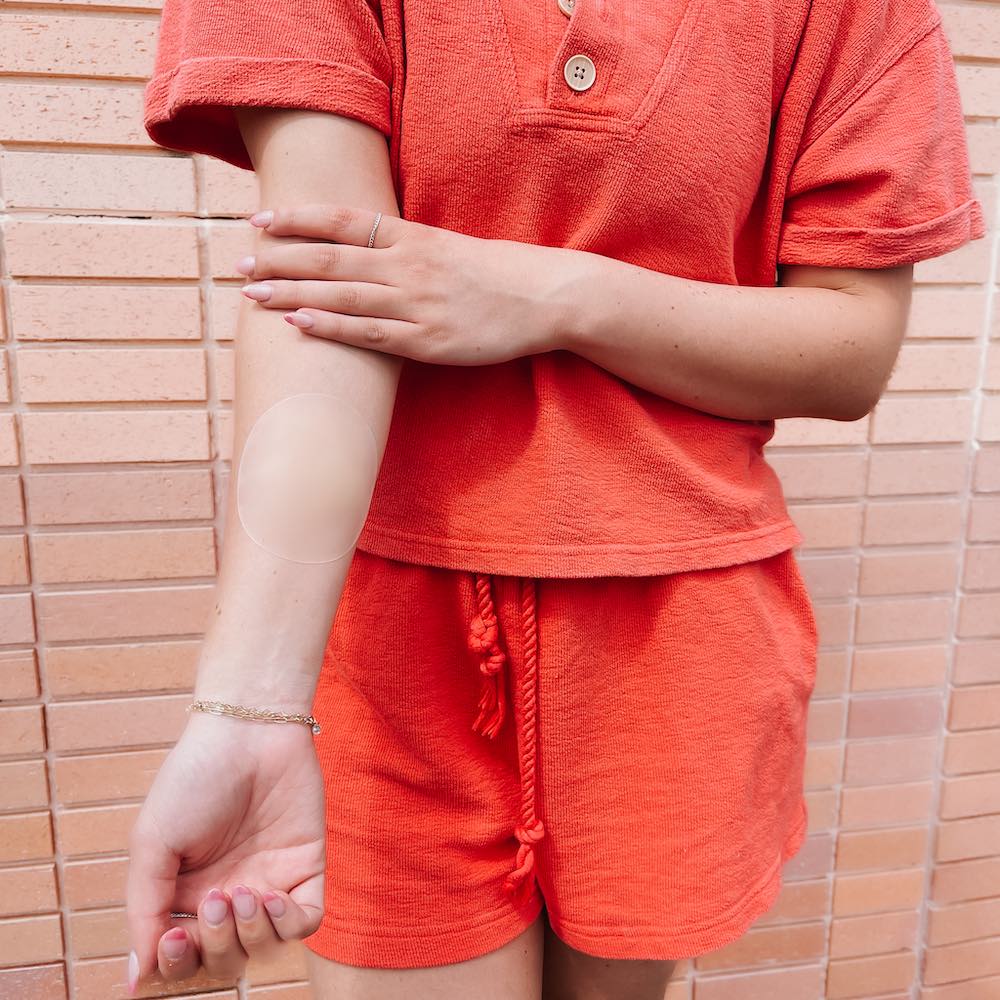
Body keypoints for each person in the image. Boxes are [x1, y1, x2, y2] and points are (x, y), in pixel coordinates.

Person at [125, 0, 986, 996]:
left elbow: (851, 349)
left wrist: (554, 296)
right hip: (391, 637)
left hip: (675, 633)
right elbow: (324, 286)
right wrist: (247, 708)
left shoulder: (853, 14)